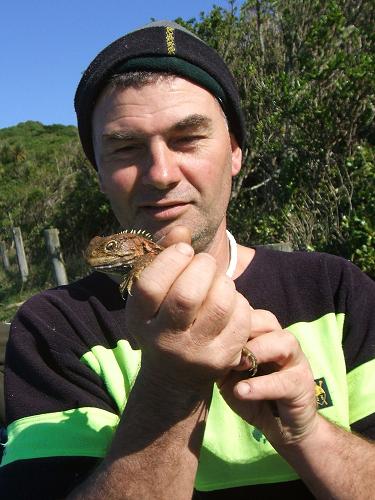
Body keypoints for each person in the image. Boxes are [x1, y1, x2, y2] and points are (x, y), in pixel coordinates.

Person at [0, 20, 374, 499]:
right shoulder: (54, 328)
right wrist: (171, 385)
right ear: (98, 171)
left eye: (188, 138)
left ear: (235, 152)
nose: (160, 173)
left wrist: (306, 433)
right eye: (126, 148)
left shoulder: (336, 290)